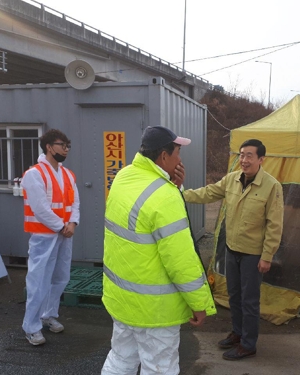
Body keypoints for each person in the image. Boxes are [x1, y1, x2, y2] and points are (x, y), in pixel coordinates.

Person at [101, 126, 216, 375]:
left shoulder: (123, 177)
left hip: (122, 299)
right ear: (164, 156)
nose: (180, 159)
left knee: (120, 360)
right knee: (159, 369)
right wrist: (198, 303)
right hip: (155, 310)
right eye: (177, 152)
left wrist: (174, 186)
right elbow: (180, 261)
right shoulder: (165, 196)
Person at [182, 139, 284, 361]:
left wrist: (267, 256)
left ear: (260, 159)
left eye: (249, 156)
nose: (244, 160)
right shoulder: (232, 179)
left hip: (253, 254)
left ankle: (248, 344)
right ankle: (238, 333)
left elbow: (274, 225)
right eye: (241, 155)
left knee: (249, 300)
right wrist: (182, 194)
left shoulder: (271, 186)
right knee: (234, 296)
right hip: (232, 249)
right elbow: (208, 193)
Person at [21, 129, 80, 346]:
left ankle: (48, 315)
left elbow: (75, 203)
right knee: (38, 281)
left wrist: (72, 223)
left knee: (60, 277)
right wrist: (63, 226)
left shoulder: (68, 174)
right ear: (49, 147)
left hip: (64, 234)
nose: (66, 149)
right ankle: (31, 326)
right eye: (62, 145)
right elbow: (40, 208)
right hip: (44, 236)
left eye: (67, 146)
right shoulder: (34, 174)